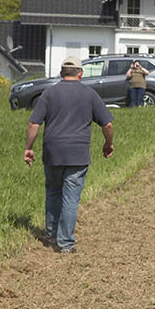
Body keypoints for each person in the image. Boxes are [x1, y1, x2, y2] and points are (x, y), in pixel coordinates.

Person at [23, 56, 114, 254]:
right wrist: (108, 144)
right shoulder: (90, 94)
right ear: (80, 73)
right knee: (70, 198)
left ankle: (52, 234)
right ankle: (65, 244)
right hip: (78, 154)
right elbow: (107, 124)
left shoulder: (49, 93)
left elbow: (34, 124)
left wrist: (28, 147)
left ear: (61, 73)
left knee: (53, 192)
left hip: (52, 152)